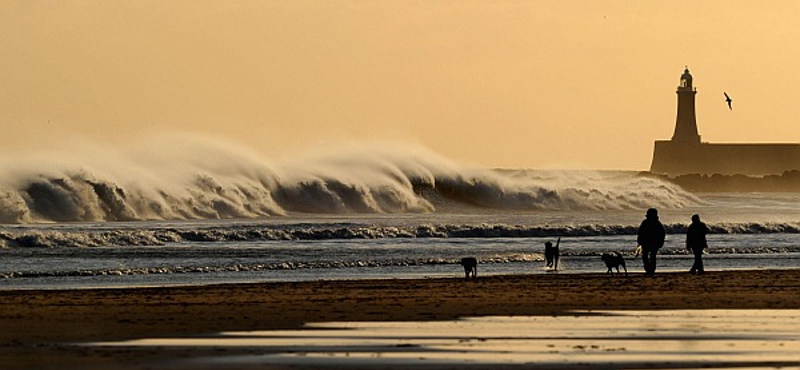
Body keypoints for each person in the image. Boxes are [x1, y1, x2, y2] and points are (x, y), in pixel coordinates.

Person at [637, 208, 665, 275]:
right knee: (648, 256)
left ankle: (650, 269)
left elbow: (662, 234)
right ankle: (650, 269)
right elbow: (640, 232)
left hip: (652, 243)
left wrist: (639, 241)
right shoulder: (655, 223)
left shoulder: (653, 223)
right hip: (648, 242)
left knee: (649, 256)